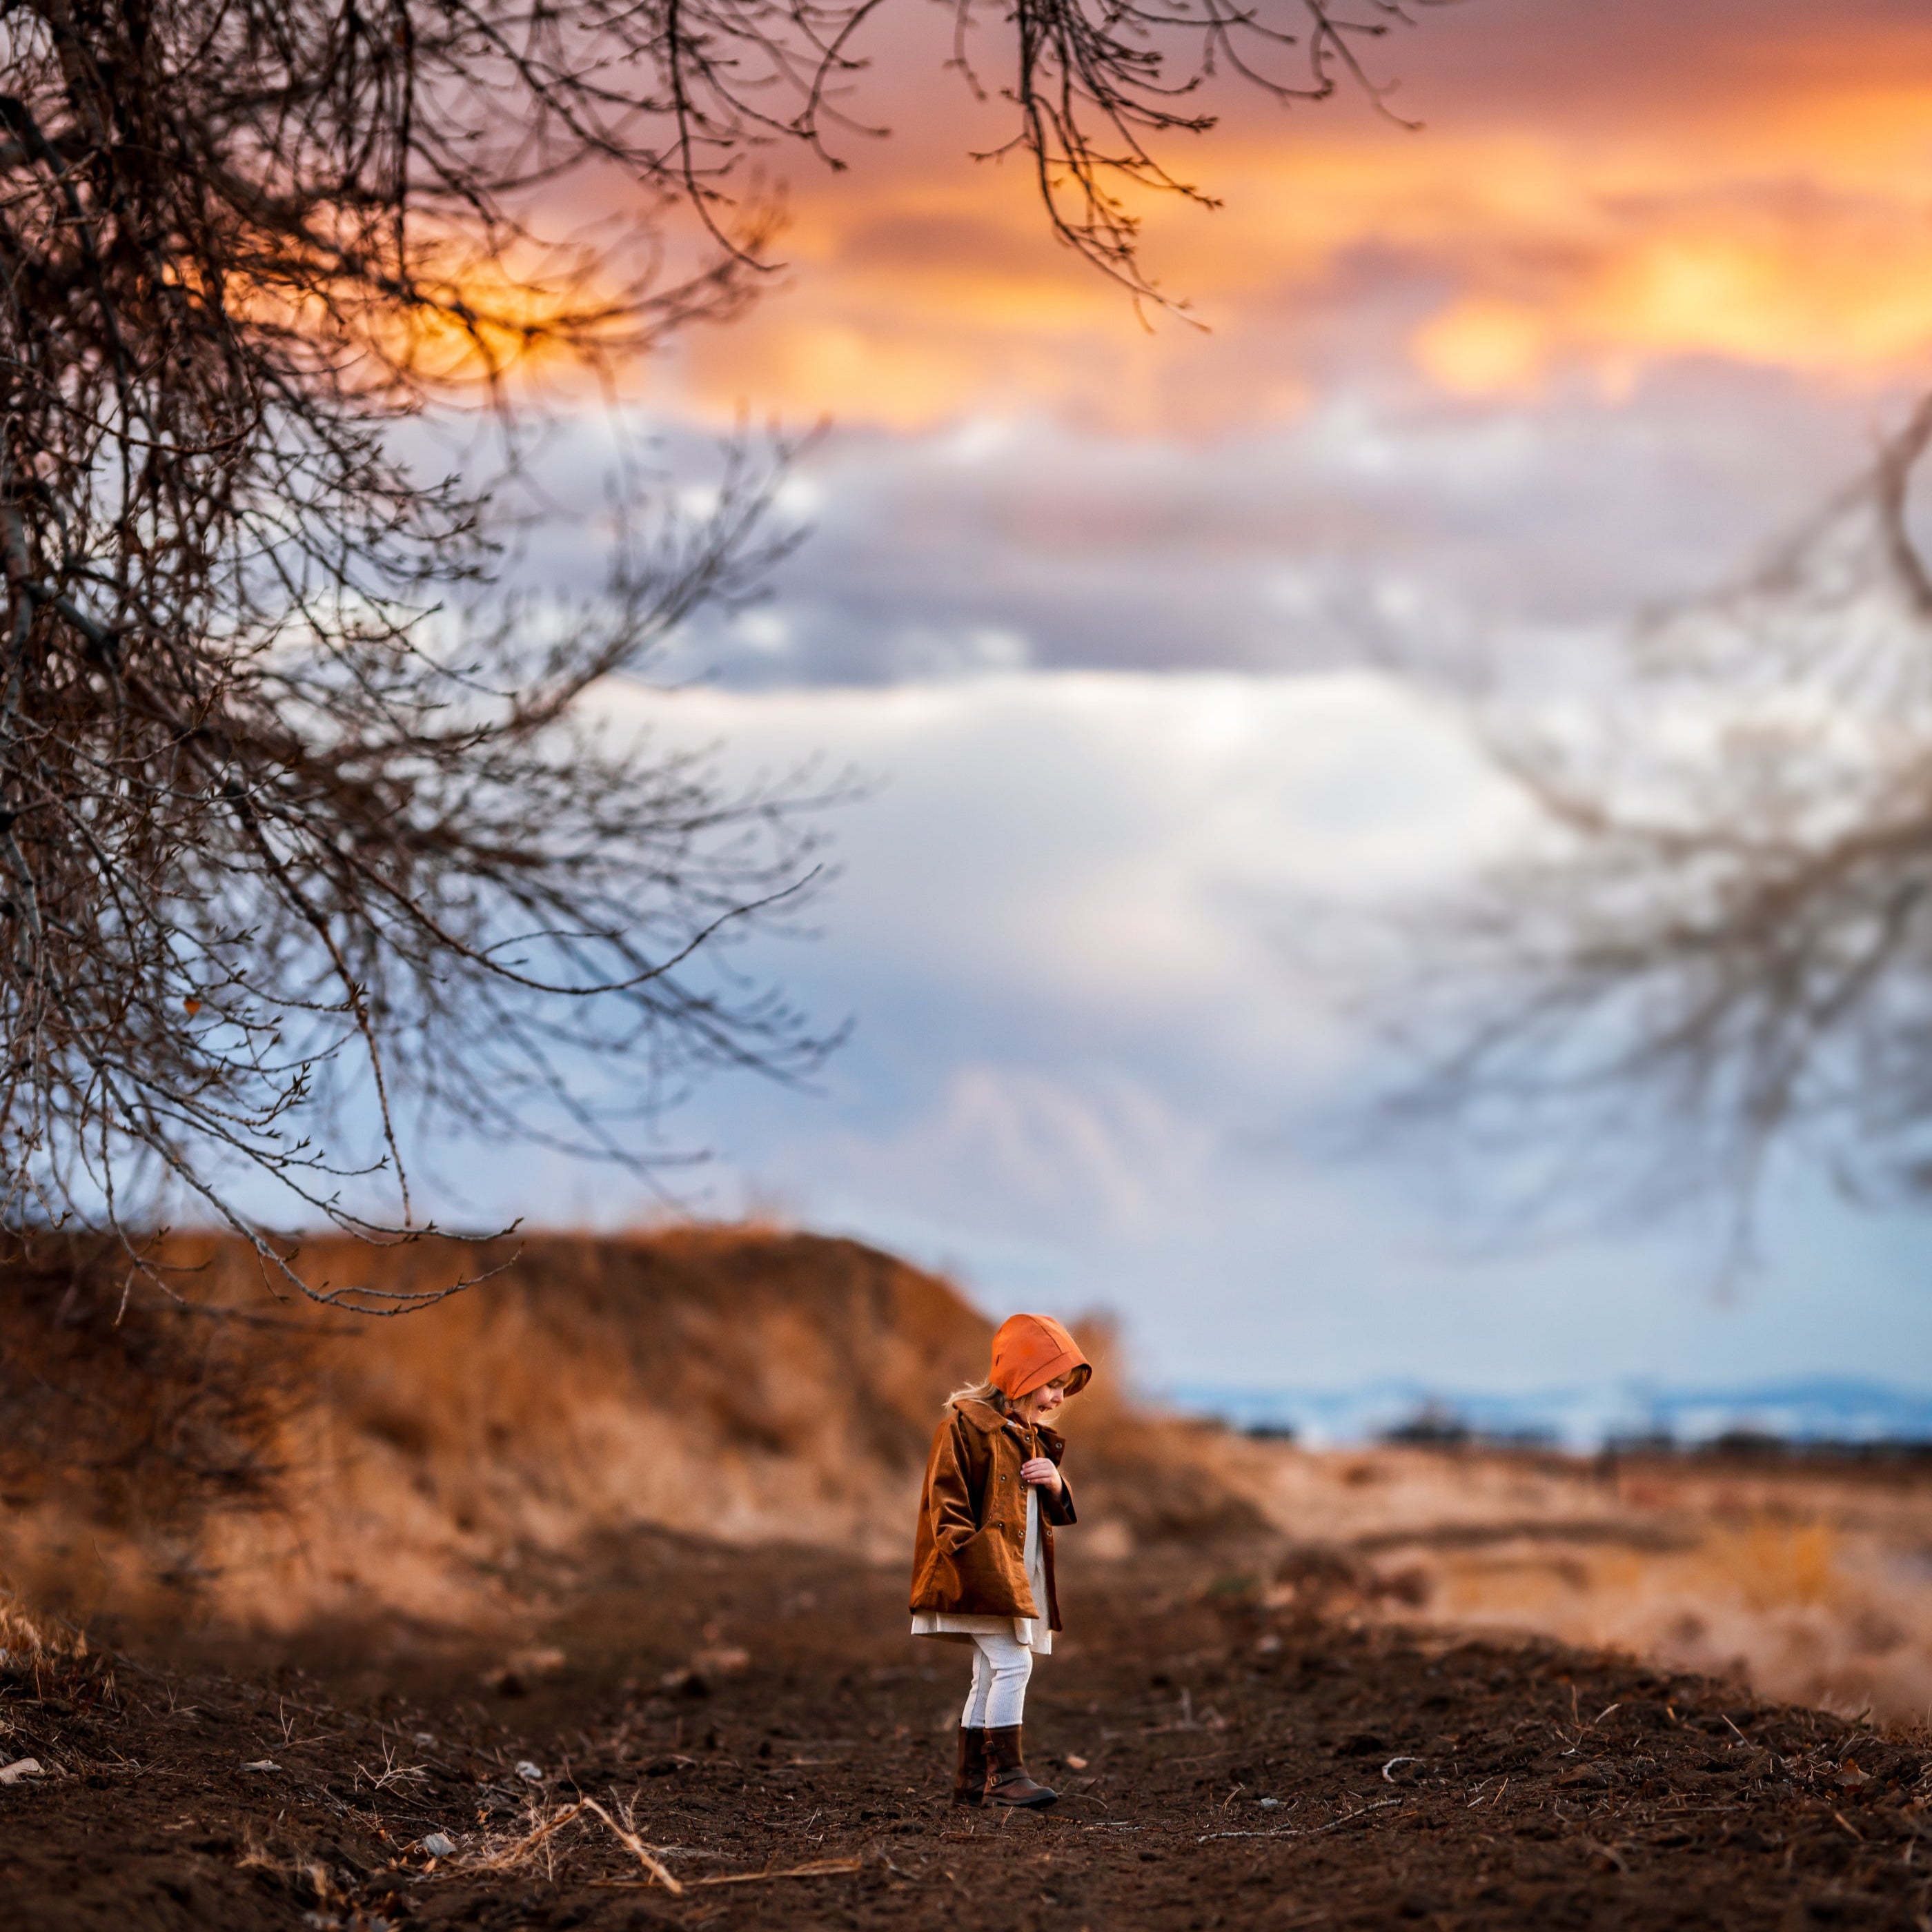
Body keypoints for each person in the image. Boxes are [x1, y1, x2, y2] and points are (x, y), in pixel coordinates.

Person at [909, 1312, 1092, 1809]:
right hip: (981, 1572)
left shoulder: (1027, 1434)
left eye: (1063, 1388)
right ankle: (1005, 1775)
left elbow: (1054, 1510)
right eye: (1051, 1384)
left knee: (988, 1674)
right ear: (1020, 1377)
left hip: (1013, 1575)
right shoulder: (966, 1429)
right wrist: (963, 1550)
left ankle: (971, 1780)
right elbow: (944, 1499)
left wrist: (1055, 1481)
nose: (1057, 1398)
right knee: (1014, 1665)